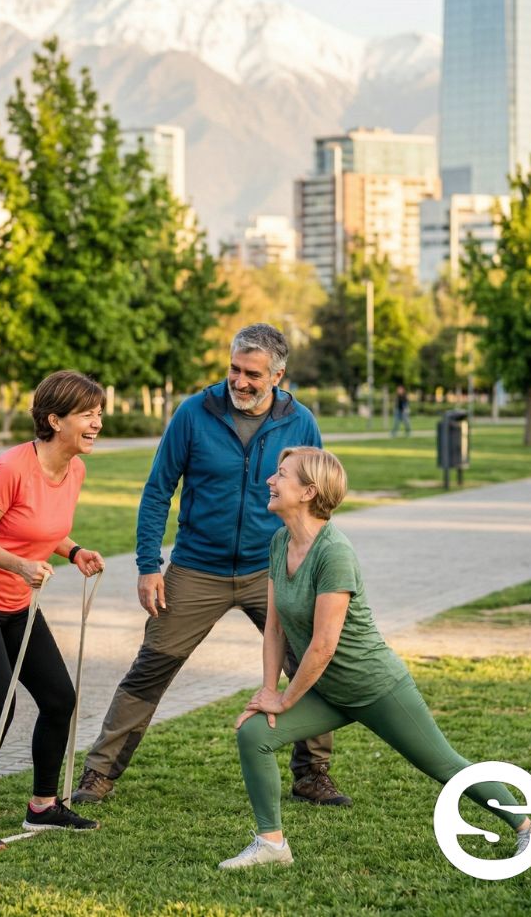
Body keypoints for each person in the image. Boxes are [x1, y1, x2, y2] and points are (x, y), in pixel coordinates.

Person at [219, 446, 531, 868]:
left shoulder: (333, 552)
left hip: (374, 685)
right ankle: (272, 844)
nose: (271, 480)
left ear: (308, 492)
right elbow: (275, 628)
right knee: (254, 735)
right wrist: (268, 690)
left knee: (446, 765)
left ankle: (529, 830)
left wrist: (285, 700)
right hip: (327, 690)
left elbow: (323, 645)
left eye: (281, 474)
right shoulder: (280, 541)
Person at [74, 324, 351, 809]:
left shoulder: (300, 421)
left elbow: (318, 496)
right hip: (197, 567)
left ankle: (312, 773)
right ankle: (99, 772)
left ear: (279, 375)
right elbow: (159, 489)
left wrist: (311, 565)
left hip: (273, 568)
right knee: (151, 667)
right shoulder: (194, 413)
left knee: (308, 662)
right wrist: (148, 564)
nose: (239, 383)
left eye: (253, 375)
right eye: (234, 370)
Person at [0, 370, 106, 849]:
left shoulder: (74, 469)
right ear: (55, 420)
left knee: (59, 699)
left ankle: (43, 807)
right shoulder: (11, 468)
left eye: (99, 414)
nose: (96, 422)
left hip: (16, 604)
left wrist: (73, 552)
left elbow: (43, 528)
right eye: (86, 414)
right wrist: (20, 565)